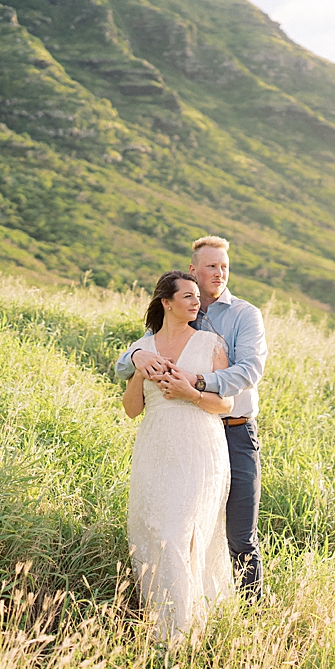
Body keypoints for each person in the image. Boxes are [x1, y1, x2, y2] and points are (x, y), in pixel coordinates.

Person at [115, 236, 269, 599]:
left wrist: (196, 383)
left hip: (233, 431)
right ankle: (175, 604)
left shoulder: (244, 314)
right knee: (180, 527)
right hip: (176, 437)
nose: (219, 273)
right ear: (193, 270)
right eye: (212, 266)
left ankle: (251, 618)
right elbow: (129, 360)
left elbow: (249, 371)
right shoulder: (181, 309)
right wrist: (137, 358)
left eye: (225, 267)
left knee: (238, 534)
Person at [121, 270, 234, 643]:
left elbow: (226, 403)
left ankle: (182, 634)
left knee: (179, 534)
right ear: (166, 303)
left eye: (196, 296)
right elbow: (131, 410)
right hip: (155, 449)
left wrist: (191, 394)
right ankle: (162, 626)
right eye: (187, 296)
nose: (196, 301)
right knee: (154, 534)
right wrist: (139, 368)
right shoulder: (143, 346)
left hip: (199, 448)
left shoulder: (210, 343)